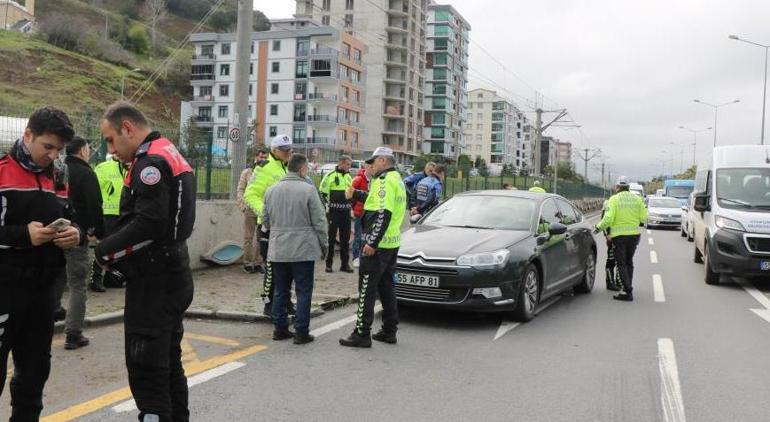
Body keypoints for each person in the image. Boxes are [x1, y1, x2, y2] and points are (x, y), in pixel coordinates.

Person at [95, 102, 196, 422]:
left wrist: (104, 252)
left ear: (127, 128)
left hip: (155, 278)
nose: (110, 150)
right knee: (168, 364)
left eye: (110, 140)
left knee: (147, 369)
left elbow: (149, 224)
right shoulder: (168, 150)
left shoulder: (149, 161)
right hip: (175, 270)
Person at [0, 107, 81, 420]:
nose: (53, 155)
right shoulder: (3, 170)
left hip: (44, 290)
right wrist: (23, 235)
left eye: (59, 149)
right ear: (28, 135)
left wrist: (73, 233)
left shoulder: (59, 174)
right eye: (48, 147)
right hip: (5, 288)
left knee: (34, 376)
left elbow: (70, 214)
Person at [340, 147, 406, 348]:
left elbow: (382, 213)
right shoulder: (396, 179)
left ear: (384, 162)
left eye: (374, 162)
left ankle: (362, 333)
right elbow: (375, 201)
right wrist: (356, 194)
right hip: (391, 243)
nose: (370, 166)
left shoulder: (384, 181)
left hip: (378, 246)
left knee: (367, 289)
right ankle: (389, 330)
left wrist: (371, 243)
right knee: (387, 289)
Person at [262, 154, 328, 345]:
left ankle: (279, 328)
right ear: (302, 169)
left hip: (278, 248)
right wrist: (324, 246)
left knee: (280, 290)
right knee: (303, 290)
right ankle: (301, 332)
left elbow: (265, 220)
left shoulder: (271, 190)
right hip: (303, 249)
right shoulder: (308, 190)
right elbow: (320, 221)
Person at [56, 136, 105, 350]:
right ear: (83, 150)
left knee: (53, 278)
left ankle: (52, 313)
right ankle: (73, 334)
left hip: (53, 233)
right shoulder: (86, 173)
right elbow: (95, 205)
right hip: (77, 235)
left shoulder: (56, 169)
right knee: (78, 285)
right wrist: (98, 232)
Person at [244, 134, 293, 317]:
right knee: (271, 268)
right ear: (274, 150)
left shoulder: (286, 168)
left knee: (287, 268)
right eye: (284, 150)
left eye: (290, 150)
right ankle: (268, 304)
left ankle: (285, 301)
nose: (288, 153)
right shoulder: (264, 168)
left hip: (287, 226)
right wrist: (265, 214)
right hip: (269, 227)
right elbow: (250, 194)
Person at [595, 176, 647, 302]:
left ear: (617, 187)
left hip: (619, 237)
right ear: (628, 187)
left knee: (621, 263)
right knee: (629, 262)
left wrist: (597, 228)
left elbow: (608, 219)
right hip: (634, 236)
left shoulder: (614, 199)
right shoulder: (637, 199)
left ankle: (627, 291)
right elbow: (644, 218)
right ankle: (627, 287)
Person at [91, 153, 129, 290]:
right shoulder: (102, 168)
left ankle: (115, 277)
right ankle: (96, 279)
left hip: (124, 214)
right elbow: (94, 191)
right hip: (107, 214)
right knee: (103, 247)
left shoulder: (129, 167)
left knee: (121, 247)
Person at [319, 155, 354, 273]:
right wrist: (326, 207)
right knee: (331, 239)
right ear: (341, 164)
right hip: (333, 213)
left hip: (346, 213)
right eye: (348, 165)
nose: (349, 167)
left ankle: (345, 264)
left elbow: (351, 194)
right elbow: (321, 193)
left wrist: (351, 207)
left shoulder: (349, 177)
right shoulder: (329, 176)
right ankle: (328, 264)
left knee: (346, 239)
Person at [237, 148, 268, 274]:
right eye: (261, 157)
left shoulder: (267, 173)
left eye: (265, 158)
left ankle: (258, 262)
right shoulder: (247, 172)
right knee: (248, 237)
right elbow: (240, 189)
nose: (263, 160)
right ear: (256, 157)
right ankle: (248, 262)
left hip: (263, 209)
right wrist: (242, 205)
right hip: (250, 208)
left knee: (261, 238)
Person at [350, 162, 374, 268]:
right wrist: (351, 209)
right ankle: (355, 257)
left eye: (373, 166)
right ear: (365, 167)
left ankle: (364, 256)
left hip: (371, 214)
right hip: (360, 213)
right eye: (370, 166)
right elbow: (350, 193)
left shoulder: (376, 180)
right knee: (358, 236)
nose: (372, 168)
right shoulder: (358, 179)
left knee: (368, 237)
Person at [601, 199, 620, 291]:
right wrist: (607, 234)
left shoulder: (626, 203)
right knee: (611, 260)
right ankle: (610, 282)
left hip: (623, 236)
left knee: (621, 261)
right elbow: (603, 219)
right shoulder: (608, 202)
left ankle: (619, 282)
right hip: (612, 236)